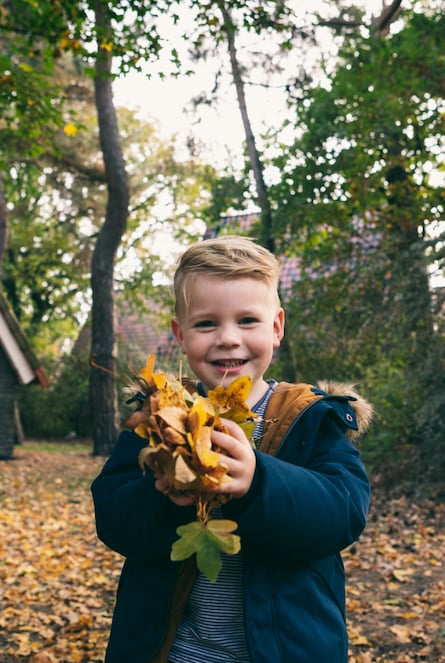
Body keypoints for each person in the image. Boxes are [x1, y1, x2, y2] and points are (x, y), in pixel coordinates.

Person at [91, 235, 373, 663]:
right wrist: (165, 498)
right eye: (206, 324)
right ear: (180, 335)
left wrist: (260, 482)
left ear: (276, 328)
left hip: (284, 651)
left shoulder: (310, 417)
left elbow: (343, 512)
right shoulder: (159, 418)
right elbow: (113, 518)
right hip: (176, 651)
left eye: (247, 321)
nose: (227, 338)